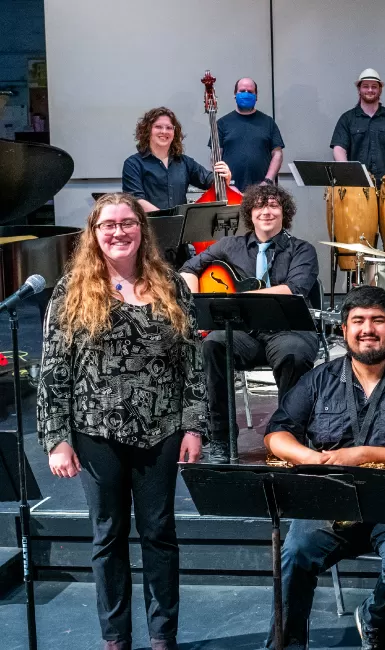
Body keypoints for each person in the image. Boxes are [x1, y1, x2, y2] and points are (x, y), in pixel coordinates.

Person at [39, 193, 207, 650]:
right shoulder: (71, 288)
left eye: (127, 223)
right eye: (108, 224)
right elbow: (54, 369)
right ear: (94, 233)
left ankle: (162, 636)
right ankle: (115, 638)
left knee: (159, 534)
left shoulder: (171, 283)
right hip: (94, 431)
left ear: (141, 230)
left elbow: (192, 362)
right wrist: (57, 439)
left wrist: (194, 426)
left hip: (162, 428)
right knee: (107, 536)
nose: (119, 232)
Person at [264, 286, 385, 650]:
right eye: (358, 321)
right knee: (295, 553)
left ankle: (374, 617)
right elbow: (276, 433)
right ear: (344, 330)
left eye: (377, 320)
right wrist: (312, 459)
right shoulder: (319, 379)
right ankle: (285, 645)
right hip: (334, 498)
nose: (368, 329)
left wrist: (360, 455)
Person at [178, 182, 319, 458]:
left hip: (287, 329)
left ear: (284, 213)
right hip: (243, 331)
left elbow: (294, 289)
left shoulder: (302, 250)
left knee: (295, 354)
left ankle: (289, 434)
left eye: (274, 205)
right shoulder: (230, 245)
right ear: (250, 212)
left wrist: (234, 298)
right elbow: (188, 268)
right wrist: (196, 306)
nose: (266, 211)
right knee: (213, 346)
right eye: (260, 205)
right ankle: (221, 438)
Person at [121, 107, 230, 213]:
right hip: (149, 228)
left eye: (169, 128)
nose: (164, 131)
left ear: (174, 133)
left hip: (180, 228)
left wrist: (225, 177)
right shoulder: (133, 164)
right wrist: (168, 219)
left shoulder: (185, 162)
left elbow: (210, 181)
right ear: (147, 130)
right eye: (158, 127)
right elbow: (136, 201)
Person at [330, 69, 385, 180]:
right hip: (357, 185)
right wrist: (347, 170)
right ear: (359, 89)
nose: (370, 90)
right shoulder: (347, 119)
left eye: (374, 86)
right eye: (365, 86)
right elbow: (339, 148)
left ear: (380, 90)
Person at [216, 77, 286, 191]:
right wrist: (226, 184)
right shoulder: (222, 123)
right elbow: (216, 158)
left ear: (256, 96)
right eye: (242, 91)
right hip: (231, 189)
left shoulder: (268, 122)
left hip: (262, 189)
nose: (246, 94)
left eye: (250, 92)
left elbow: (278, 154)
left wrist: (267, 181)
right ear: (235, 94)